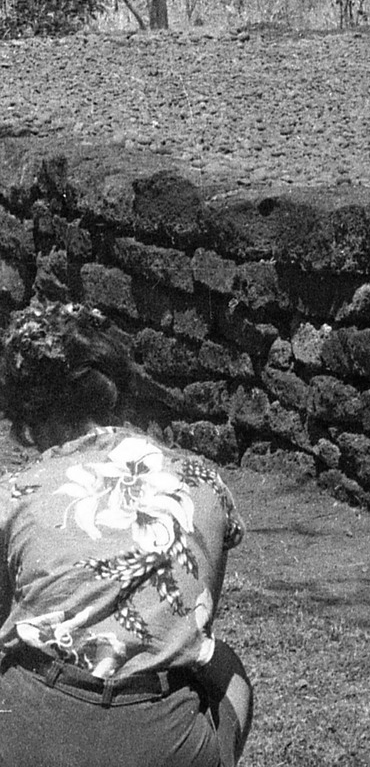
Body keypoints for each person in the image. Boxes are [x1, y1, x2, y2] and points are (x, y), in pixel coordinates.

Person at [0, 299, 254, 767]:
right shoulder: (203, 481)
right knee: (227, 668)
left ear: (31, 414)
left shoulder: (16, 493)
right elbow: (195, 620)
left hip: (34, 726)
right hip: (164, 736)